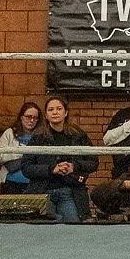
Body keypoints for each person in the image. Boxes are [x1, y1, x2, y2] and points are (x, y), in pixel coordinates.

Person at [24, 95, 95, 223]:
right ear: (46, 115)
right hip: (43, 192)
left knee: (73, 228)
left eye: (59, 109)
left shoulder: (79, 136)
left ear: (66, 112)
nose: (55, 112)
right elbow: (26, 168)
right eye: (51, 110)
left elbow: (93, 162)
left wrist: (74, 166)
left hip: (70, 192)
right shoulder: (37, 138)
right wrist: (52, 169)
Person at [0, 100, 43, 190]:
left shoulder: (42, 136)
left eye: (35, 118)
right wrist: (22, 154)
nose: (32, 120)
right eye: (28, 117)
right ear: (21, 117)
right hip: (11, 182)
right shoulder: (10, 133)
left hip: (33, 184)